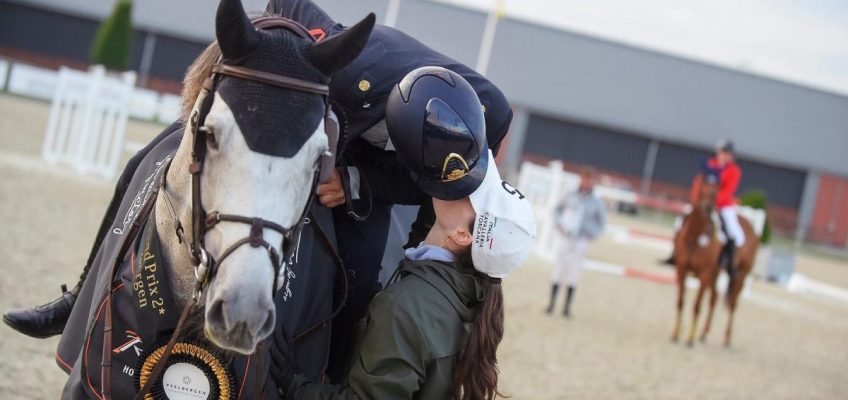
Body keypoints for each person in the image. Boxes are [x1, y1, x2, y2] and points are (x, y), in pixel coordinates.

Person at [3, 0, 513, 362]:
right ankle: (79, 299)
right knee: (144, 160)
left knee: (359, 275)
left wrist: (359, 182)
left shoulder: (486, 111)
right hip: (296, 119)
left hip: (373, 167)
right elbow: (292, 8)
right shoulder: (343, 67)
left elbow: (423, 183)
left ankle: (333, 369)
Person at [270, 153, 536, 400]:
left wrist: (294, 383)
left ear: (462, 235)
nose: (464, 182)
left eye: (472, 193)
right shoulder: (465, 297)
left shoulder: (405, 306)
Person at [662, 139, 744, 276]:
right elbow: (699, 184)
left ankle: (728, 261)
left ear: (731, 156)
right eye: (722, 152)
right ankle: (675, 254)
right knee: (679, 223)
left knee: (734, 232)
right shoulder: (710, 166)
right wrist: (697, 201)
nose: (724, 156)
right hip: (702, 204)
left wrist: (714, 202)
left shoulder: (734, 171)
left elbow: (728, 191)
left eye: (727, 153)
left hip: (723, 206)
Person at [545, 168, 606, 318]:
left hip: (582, 238)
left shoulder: (596, 201)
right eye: (585, 179)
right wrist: (558, 223)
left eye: (589, 180)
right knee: (559, 268)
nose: (586, 182)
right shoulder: (571, 194)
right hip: (567, 235)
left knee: (574, 271)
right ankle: (551, 304)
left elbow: (602, 222)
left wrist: (594, 233)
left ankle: (566, 308)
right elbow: (557, 210)